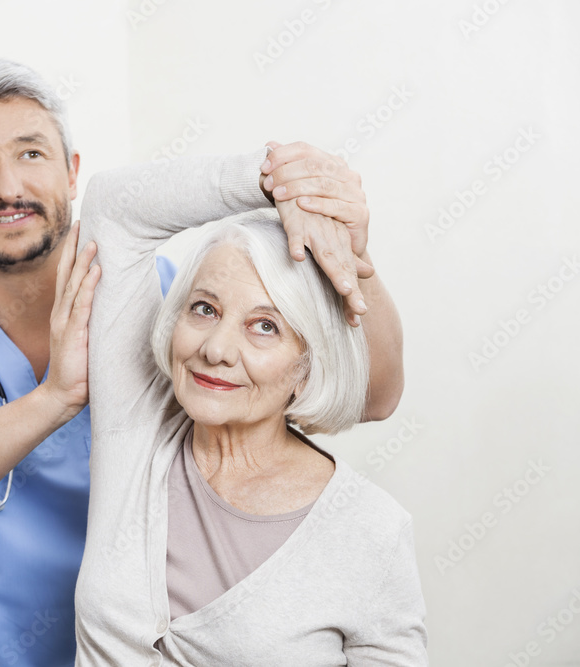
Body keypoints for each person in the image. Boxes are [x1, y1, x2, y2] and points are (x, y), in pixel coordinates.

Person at [0, 58, 403, 666]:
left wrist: (322, 214)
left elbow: (369, 395)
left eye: (31, 153)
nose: (8, 187)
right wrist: (53, 398)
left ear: (71, 172)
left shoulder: (181, 310)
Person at [70, 153, 426, 664]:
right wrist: (281, 185)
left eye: (265, 326)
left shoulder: (371, 530)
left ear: (308, 364)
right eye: (204, 308)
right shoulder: (137, 425)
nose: (216, 348)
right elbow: (113, 207)